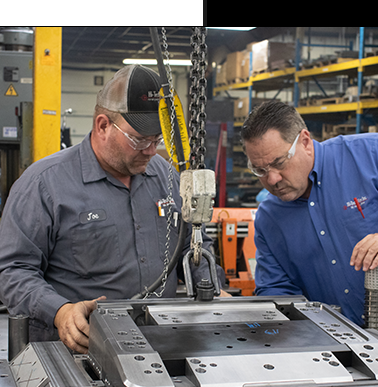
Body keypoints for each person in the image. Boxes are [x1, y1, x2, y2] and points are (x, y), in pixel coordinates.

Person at [0, 65, 225, 354]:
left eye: (157, 140)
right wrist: (60, 311)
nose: (150, 151)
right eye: (139, 139)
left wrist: (210, 284)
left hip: (160, 345)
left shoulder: (167, 177)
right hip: (78, 351)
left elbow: (192, 245)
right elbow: (13, 270)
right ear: (103, 125)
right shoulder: (44, 184)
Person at [241, 101, 378, 333]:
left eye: (279, 163)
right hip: (343, 347)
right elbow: (276, 291)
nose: (272, 180)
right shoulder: (270, 218)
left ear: (305, 142)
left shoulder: (374, 155)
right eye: (260, 170)